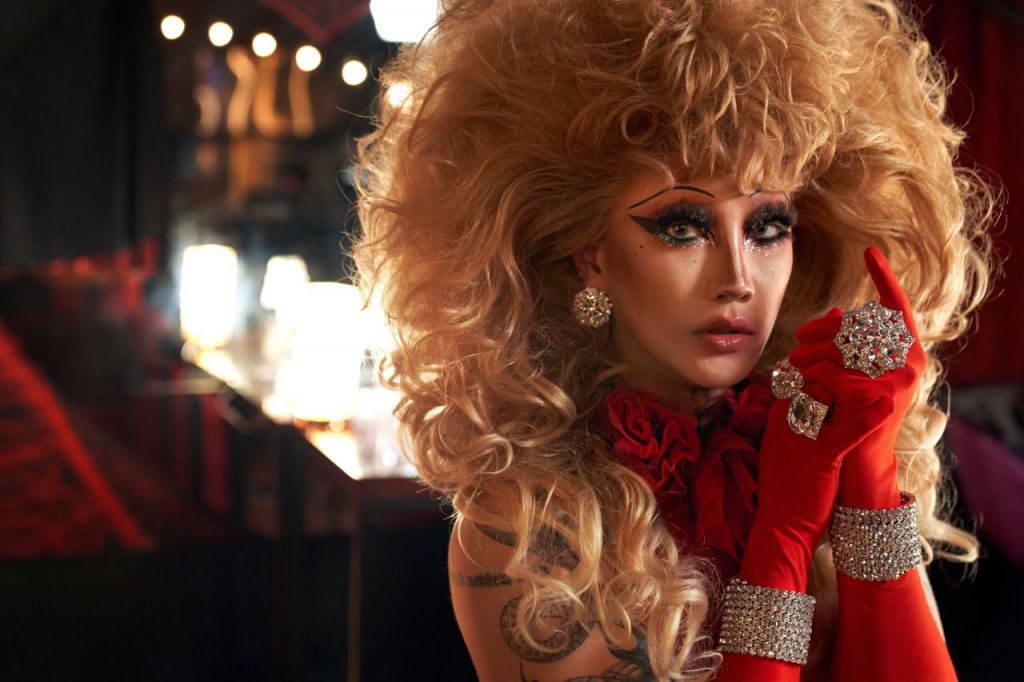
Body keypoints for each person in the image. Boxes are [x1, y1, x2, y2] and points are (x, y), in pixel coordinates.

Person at [351, 0, 996, 679]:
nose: (737, 279)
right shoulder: (528, 527)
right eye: (683, 227)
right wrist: (782, 532)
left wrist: (867, 477)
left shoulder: (813, 449)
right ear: (588, 253)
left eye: (767, 227)